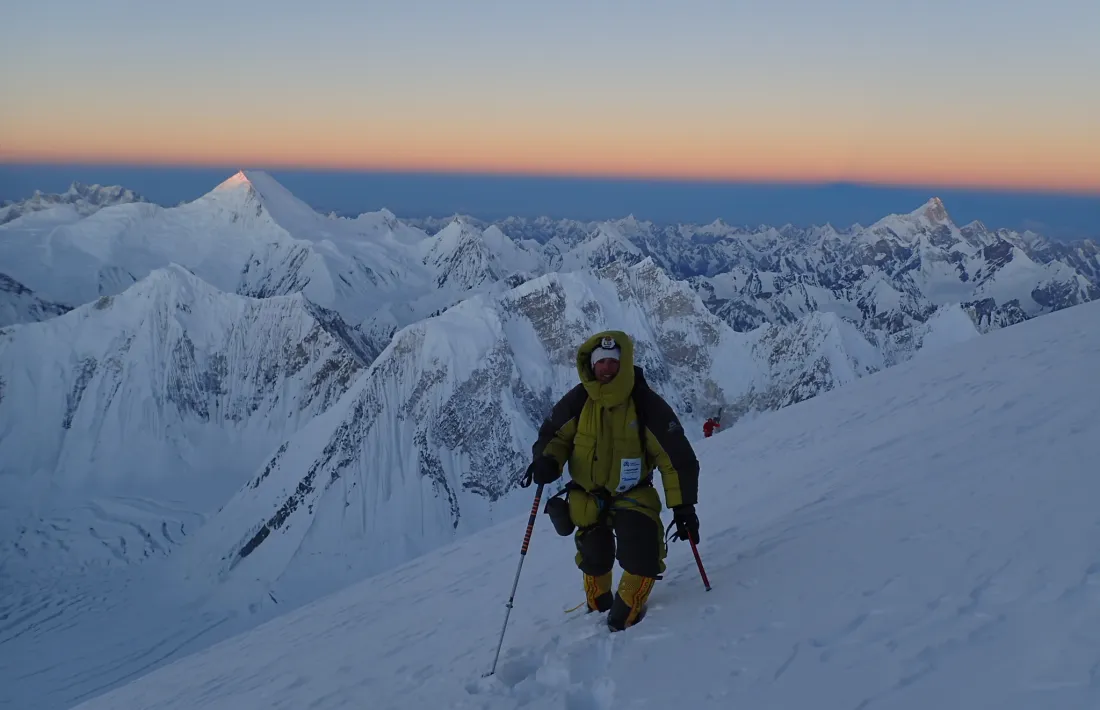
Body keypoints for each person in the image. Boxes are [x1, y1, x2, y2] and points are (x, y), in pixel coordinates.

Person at [521, 330, 700, 632]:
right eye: (600, 362)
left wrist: (683, 508)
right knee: (594, 552)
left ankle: (627, 609)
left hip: (634, 492)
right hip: (587, 496)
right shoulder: (579, 400)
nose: (605, 368)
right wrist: (547, 460)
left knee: (643, 548)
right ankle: (597, 603)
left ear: (624, 364)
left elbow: (674, 456)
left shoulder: (644, 403)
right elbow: (554, 435)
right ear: (591, 366)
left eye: (612, 362)